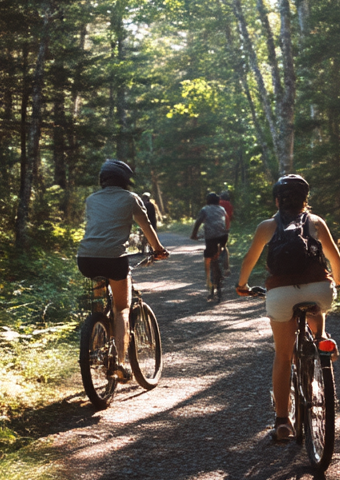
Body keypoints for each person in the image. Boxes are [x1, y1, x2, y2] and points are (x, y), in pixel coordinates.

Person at [235, 173, 340, 443]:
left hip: (280, 294)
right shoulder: (316, 222)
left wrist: (242, 285)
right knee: (317, 307)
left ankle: (283, 422)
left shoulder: (267, 226)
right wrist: (337, 282)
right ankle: (321, 341)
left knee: (283, 357)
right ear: (306, 199)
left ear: (277, 200)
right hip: (319, 291)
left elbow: (250, 259)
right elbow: (335, 258)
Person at [77, 160, 169, 382]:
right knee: (121, 309)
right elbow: (146, 226)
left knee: (100, 298)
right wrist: (158, 250)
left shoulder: (91, 199)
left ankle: (97, 337)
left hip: (86, 259)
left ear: (103, 179)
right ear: (125, 180)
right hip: (114, 259)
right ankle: (119, 363)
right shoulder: (130, 198)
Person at [190, 191, 230, 298]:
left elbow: (198, 221)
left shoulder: (205, 209)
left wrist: (194, 234)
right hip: (223, 235)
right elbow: (226, 219)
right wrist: (226, 229)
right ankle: (226, 268)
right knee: (223, 247)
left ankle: (208, 279)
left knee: (208, 257)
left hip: (210, 237)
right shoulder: (221, 209)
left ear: (207, 201)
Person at [218, 191, 234, 272]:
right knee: (224, 247)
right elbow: (230, 216)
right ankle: (227, 268)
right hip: (225, 227)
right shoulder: (230, 205)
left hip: (215, 228)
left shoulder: (217, 203)